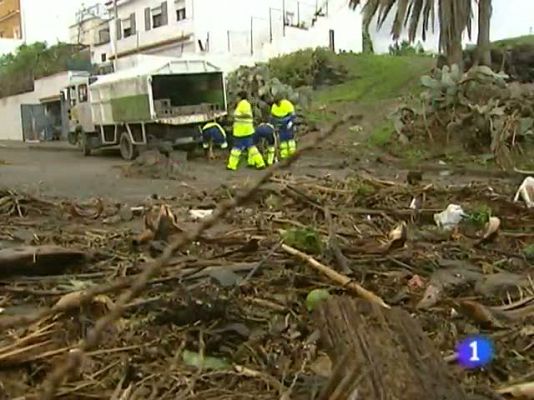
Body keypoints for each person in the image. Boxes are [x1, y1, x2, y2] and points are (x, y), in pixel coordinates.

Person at [227, 91, 266, 171]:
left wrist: (235, 115)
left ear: (240, 97)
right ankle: (260, 163)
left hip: (241, 131)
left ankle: (232, 165)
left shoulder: (243, 104)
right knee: (251, 148)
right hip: (246, 131)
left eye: (237, 97)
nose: (236, 99)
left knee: (236, 149)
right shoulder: (244, 104)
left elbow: (246, 115)